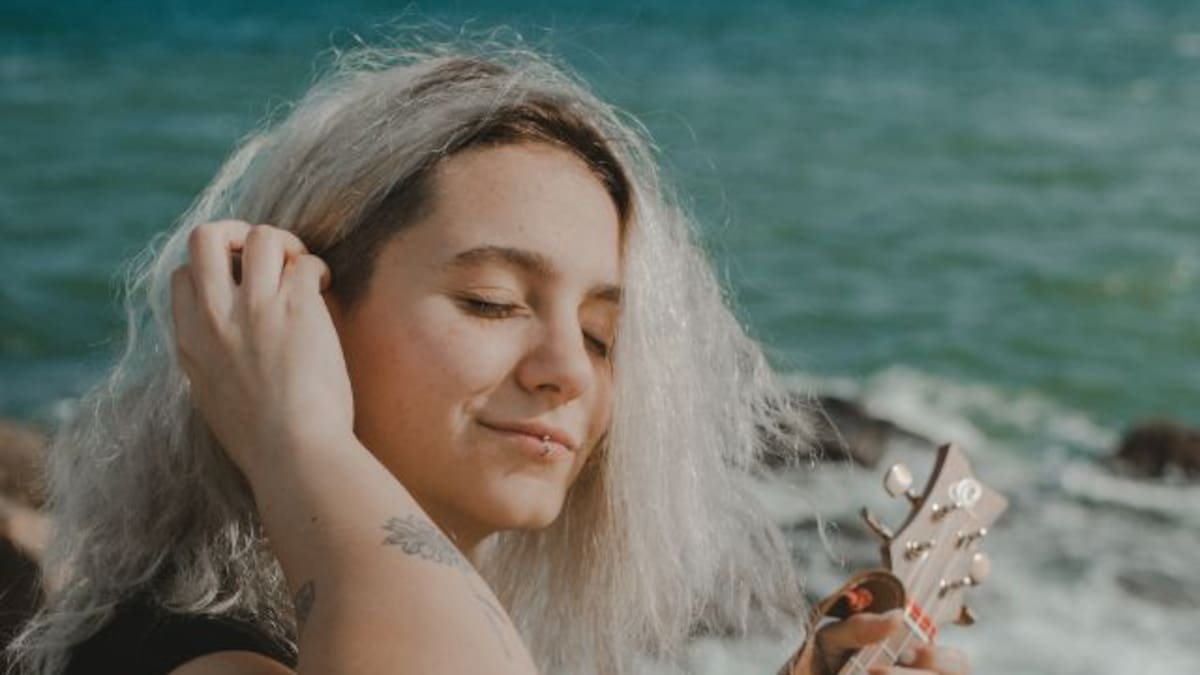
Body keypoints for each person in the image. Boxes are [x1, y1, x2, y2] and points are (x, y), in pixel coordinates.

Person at [7, 36, 969, 675]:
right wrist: (299, 439)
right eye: (492, 301)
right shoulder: (196, 658)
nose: (569, 370)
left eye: (602, 335)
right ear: (301, 310)